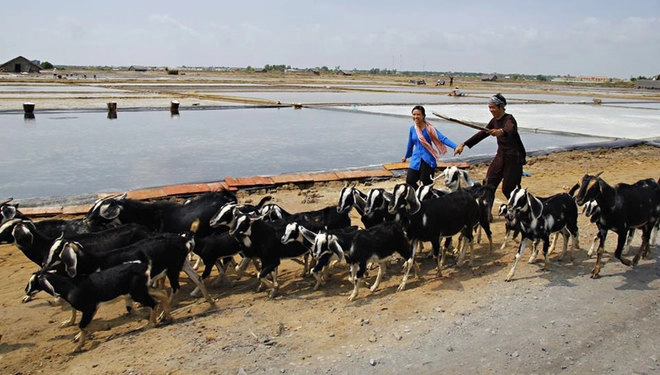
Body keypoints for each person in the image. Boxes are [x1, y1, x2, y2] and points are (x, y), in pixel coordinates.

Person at [454, 93, 526, 200]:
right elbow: (482, 134)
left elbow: (510, 129)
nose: (491, 110)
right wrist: (464, 144)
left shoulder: (509, 119)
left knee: (509, 189)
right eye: (489, 107)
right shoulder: (494, 121)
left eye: (493, 107)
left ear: (501, 107)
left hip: (514, 158)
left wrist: (501, 131)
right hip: (501, 156)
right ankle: (486, 215)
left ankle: (522, 211)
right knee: (488, 185)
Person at [402, 105, 457, 189]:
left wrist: (455, 146)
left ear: (423, 116)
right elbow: (410, 144)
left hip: (428, 160)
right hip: (416, 159)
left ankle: (427, 199)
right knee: (410, 181)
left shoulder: (430, 129)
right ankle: (419, 195)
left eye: (418, 114)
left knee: (426, 183)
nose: (415, 117)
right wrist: (406, 156)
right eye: (414, 114)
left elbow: (442, 138)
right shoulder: (412, 129)